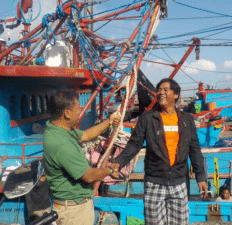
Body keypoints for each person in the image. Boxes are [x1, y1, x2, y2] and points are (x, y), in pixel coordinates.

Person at [114, 78, 207, 225]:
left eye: (165, 89)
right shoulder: (147, 118)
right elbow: (134, 144)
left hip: (179, 182)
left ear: (176, 95)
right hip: (154, 182)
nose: (161, 93)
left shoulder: (186, 119)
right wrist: (118, 163)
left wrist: (201, 177)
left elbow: (194, 148)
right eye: (159, 90)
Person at [43, 90, 121, 225]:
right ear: (67, 113)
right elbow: (89, 176)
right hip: (74, 212)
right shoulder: (62, 144)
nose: (80, 112)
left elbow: (85, 135)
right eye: (77, 109)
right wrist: (109, 170)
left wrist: (109, 121)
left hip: (70, 207)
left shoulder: (59, 129)